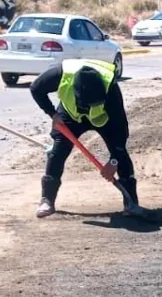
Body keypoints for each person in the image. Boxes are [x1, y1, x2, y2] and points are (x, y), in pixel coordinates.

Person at [30, 59, 137, 218]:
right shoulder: (60, 74)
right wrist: (53, 114)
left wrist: (114, 160)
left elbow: (121, 130)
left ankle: (131, 202)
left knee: (121, 155)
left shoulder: (111, 89)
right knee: (58, 152)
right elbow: (36, 88)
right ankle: (47, 199)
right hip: (70, 116)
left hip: (104, 118)